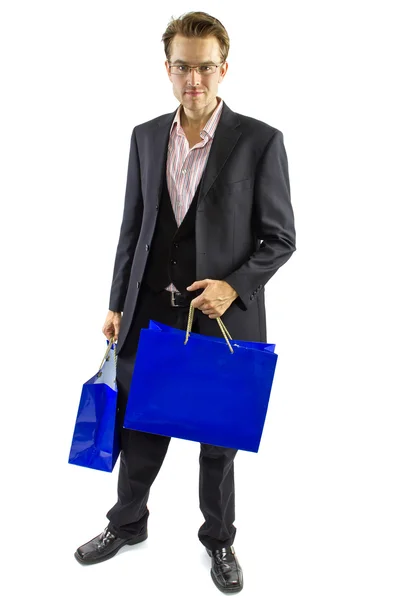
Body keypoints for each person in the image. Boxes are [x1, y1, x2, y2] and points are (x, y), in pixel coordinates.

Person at [74, 10, 296, 594]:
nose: (192, 79)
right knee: (140, 425)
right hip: (150, 310)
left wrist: (235, 284)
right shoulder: (145, 136)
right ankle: (126, 524)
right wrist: (117, 299)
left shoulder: (260, 140)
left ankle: (219, 541)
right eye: (182, 67)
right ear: (166, 69)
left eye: (204, 67)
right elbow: (133, 226)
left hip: (223, 318)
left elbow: (281, 238)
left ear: (224, 70)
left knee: (217, 439)